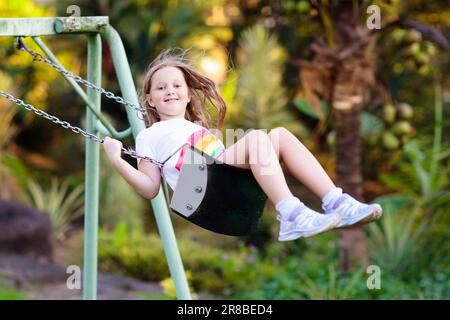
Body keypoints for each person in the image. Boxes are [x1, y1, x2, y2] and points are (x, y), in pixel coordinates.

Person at [102, 48, 382, 241]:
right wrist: (117, 159)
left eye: (177, 85)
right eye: (161, 88)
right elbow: (150, 189)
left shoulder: (194, 128)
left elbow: (224, 158)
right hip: (197, 189)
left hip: (224, 178)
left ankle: (337, 202)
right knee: (258, 139)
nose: (170, 91)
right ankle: (291, 214)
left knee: (280, 135)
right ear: (149, 99)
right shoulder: (149, 135)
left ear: (188, 95)